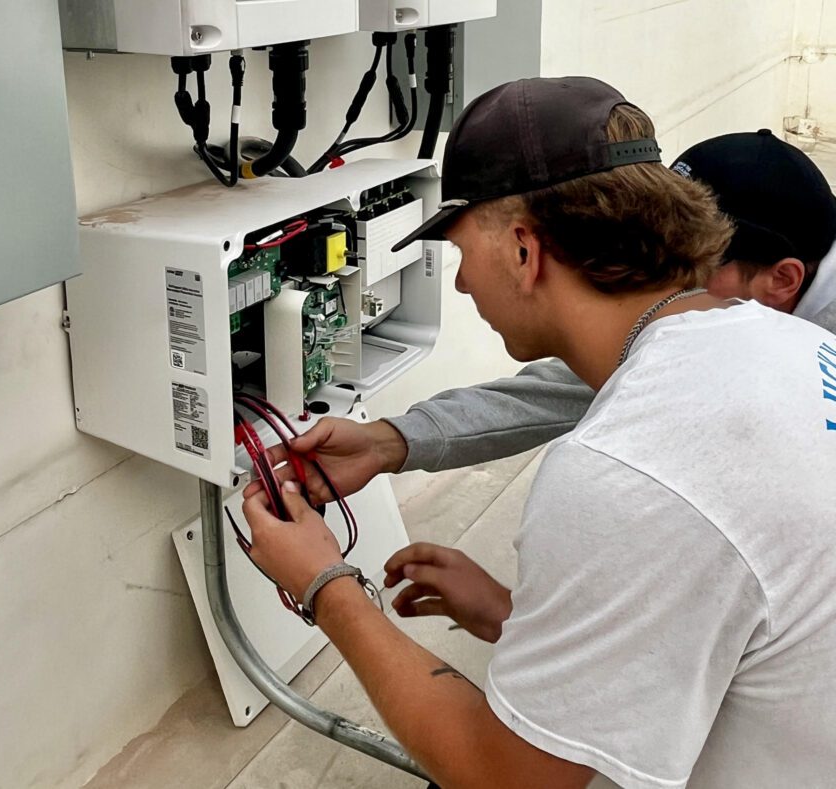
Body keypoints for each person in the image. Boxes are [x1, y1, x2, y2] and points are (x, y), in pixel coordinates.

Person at [242, 76, 836, 788]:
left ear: (525, 252)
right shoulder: (778, 340)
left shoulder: (624, 469)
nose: (461, 286)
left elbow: (507, 777)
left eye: (462, 253)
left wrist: (323, 583)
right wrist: (517, 612)